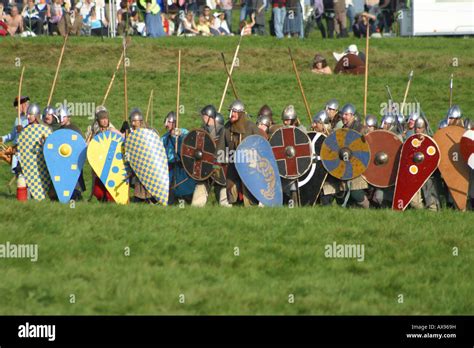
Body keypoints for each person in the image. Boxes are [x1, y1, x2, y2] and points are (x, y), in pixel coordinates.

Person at [216, 100, 262, 206]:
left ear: (241, 113)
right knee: (232, 192)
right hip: (233, 165)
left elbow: (260, 147)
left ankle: (251, 210)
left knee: (249, 194)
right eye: (231, 112)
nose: (231, 114)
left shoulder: (250, 127)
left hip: (249, 166)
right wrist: (219, 162)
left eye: (234, 112)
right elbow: (220, 150)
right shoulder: (227, 128)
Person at [192, 105, 231, 207]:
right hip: (206, 166)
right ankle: (196, 208)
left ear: (209, 116)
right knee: (201, 186)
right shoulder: (202, 130)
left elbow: (228, 149)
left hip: (220, 166)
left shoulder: (223, 131)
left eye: (204, 116)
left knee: (222, 187)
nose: (202, 118)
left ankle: (227, 210)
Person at [339, 103, 370, 208]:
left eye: (346, 115)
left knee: (356, 192)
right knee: (344, 193)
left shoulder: (361, 128)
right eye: (343, 114)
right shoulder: (342, 129)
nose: (344, 117)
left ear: (352, 116)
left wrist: (366, 135)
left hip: (359, 166)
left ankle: (368, 208)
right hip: (346, 165)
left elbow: (368, 146)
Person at [161, 112, 196, 204]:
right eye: (166, 122)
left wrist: (179, 136)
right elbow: (159, 147)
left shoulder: (183, 132)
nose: (166, 124)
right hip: (170, 165)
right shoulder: (165, 137)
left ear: (174, 123)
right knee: (170, 186)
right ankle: (171, 201)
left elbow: (190, 141)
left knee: (184, 186)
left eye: (169, 122)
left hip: (182, 165)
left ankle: (186, 199)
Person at [409, 118, 441, 211]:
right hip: (414, 174)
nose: (417, 130)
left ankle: (432, 214)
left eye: (420, 128)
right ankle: (422, 212)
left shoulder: (431, 141)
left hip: (428, 175)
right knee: (414, 202)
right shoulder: (410, 142)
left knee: (432, 204)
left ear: (424, 128)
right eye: (416, 128)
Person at [56, 105, 86, 200]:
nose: (61, 119)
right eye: (60, 117)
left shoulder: (74, 129)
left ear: (68, 117)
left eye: (63, 117)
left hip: (74, 160)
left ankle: (74, 202)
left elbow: (80, 144)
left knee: (75, 184)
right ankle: (70, 202)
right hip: (63, 161)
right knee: (66, 184)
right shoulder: (59, 130)